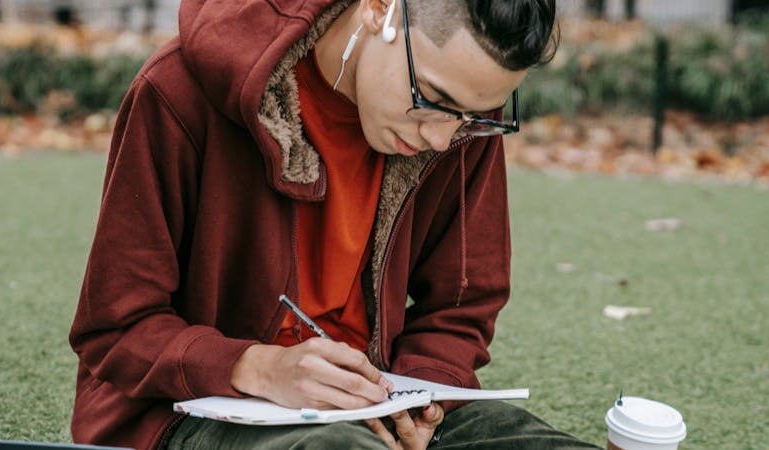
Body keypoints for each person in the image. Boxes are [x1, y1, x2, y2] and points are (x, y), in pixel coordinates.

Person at [69, 0, 600, 448]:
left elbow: (462, 306)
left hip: (376, 403)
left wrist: (423, 395)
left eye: (476, 116)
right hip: (193, 405)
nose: (442, 138)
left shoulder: (459, 125)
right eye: (432, 100)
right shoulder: (176, 91)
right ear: (377, 9)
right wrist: (256, 368)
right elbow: (116, 328)